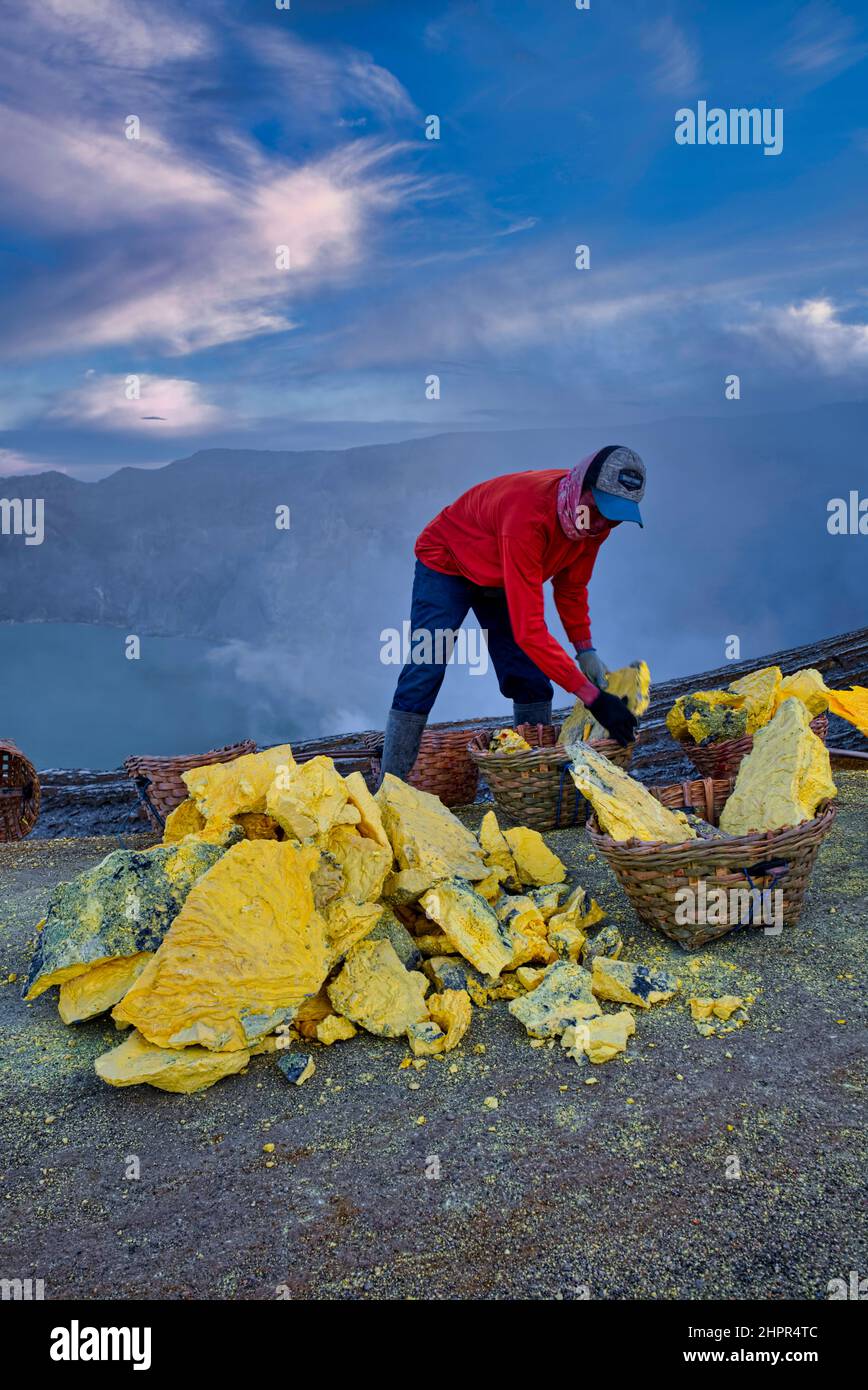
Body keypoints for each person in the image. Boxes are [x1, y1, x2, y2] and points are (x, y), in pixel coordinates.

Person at [378, 445, 646, 782]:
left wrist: (585, 649)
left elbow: (571, 588)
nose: (604, 522)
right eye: (602, 509)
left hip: (500, 571)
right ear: (582, 487)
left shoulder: (591, 524)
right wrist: (593, 697)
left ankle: (533, 780)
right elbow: (529, 631)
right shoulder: (529, 515)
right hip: (446, 562)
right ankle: (389, 787)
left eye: (616, 517)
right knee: (426, 666)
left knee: (530, 679)